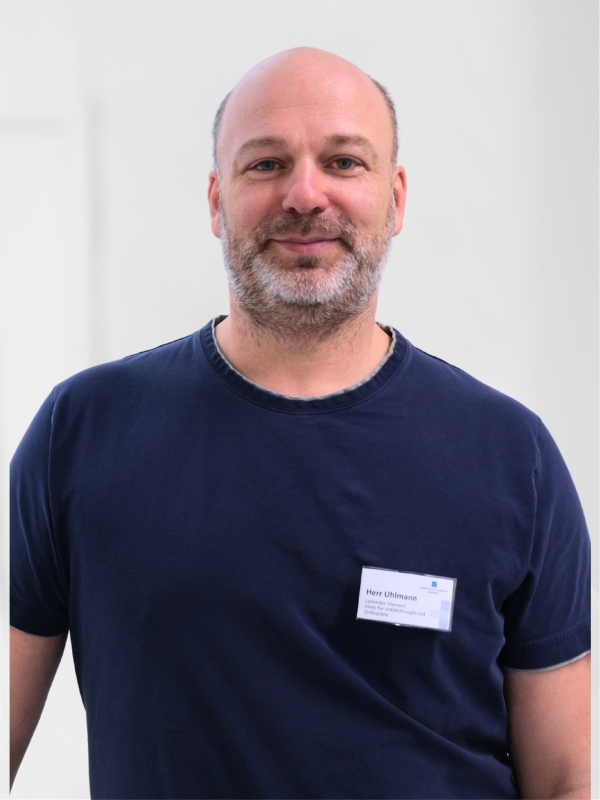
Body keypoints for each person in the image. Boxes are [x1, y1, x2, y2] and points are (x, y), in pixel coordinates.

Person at [10, 47, 590, 800]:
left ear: (396, 199)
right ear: (216, 200)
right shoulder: (83, 433)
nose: (305, 194)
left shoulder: (512, 456)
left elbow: (563, 781)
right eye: (266, 164)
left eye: (344, 162)